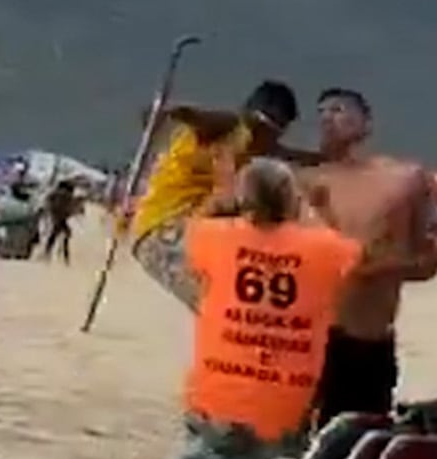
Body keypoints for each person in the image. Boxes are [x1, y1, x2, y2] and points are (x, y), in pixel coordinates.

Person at [170, 158, 361, 459]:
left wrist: (228, 197)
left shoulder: (214, 237)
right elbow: (352, 253)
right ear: (292, 201)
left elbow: (194, 229)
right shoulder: (323, 248)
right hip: (286, 399)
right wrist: (313, 209)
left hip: (217, 393)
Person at [302, 88, 437, 422]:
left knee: (359, 443)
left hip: (367, 338)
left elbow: (430, 259)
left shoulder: (403, 180)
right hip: (305, 339)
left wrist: (379, 268)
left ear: (366, 124)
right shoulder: (303, 180)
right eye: (321, 111)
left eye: (338, 110)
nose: (327, 118)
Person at [127, 81, 313, 310]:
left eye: (276, 133)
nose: (267, 139)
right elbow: (202, 118)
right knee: (226, 306)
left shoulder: (259, 143)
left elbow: (291, 154)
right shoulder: (230, 127)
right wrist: (172, 112)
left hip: (188, 229)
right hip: (165, 229)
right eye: (266, 128)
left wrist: (333, 160)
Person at [41, 178, 77, 264]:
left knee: (56, 235)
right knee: (63, 235)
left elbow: (48, 201)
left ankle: (49, 253)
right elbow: (69, 208)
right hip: (60, 217)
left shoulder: (56, 193)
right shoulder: (67, 195)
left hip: (56, 216)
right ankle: (64, 257)